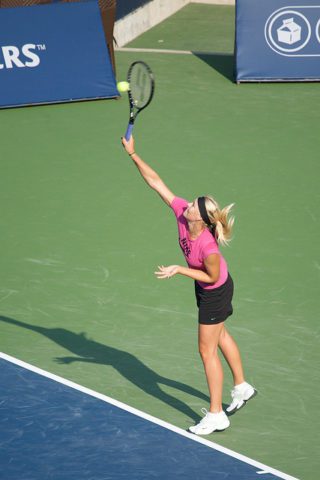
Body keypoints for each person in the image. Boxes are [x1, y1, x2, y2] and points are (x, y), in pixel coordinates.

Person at [121, 136, 257, 435]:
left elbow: (210, 277)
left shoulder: (208, 247)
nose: (188, 205)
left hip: (215, 291)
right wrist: (134, 154)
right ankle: (242, 386)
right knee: (220, 336)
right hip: (209, 288)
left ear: (202, 220)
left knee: (206, 351)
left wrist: (178, 269)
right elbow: (157, 182)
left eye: (194, 206)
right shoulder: (183, 215)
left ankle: (216, 414)